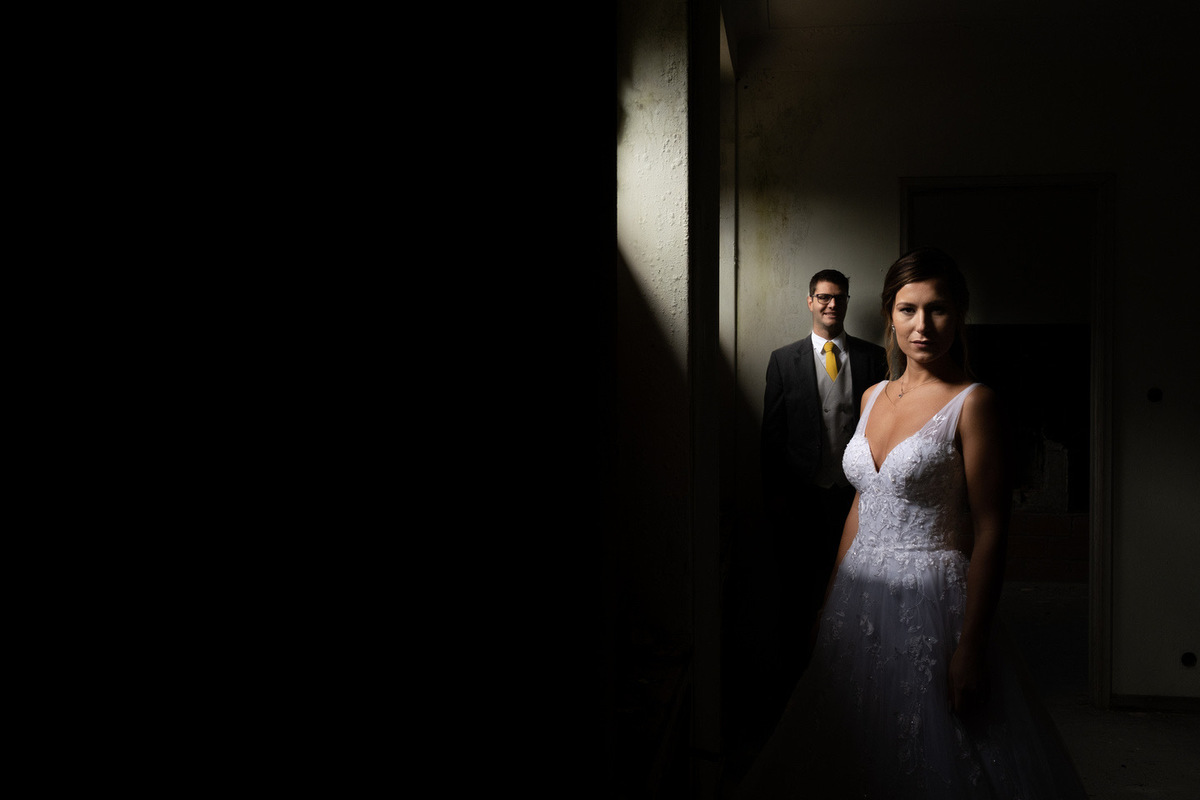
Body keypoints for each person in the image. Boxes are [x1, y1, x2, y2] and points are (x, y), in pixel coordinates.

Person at [739, 247, 1087, 799]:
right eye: (908, 310)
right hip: (856, 597)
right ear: (889, 315)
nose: (921, 325)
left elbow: (994, 529)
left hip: (933, 600)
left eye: (938, 309)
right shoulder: (874, 394)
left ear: (960, 315)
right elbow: (862, 503)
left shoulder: (974, 404)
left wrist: (971, 645)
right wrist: (829, 601)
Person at [760, 270, 888, 711]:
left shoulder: (874, 358)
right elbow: (771, 435)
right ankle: (797, 685)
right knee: (798, 591)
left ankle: (852, 680)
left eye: (839, 298)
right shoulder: (783, 360)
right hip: (800, 496)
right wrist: (774, 495)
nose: (832, 305)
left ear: (847, 303)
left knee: (855, 588)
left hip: (855, 496)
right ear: (810, 302)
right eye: (824, 298)